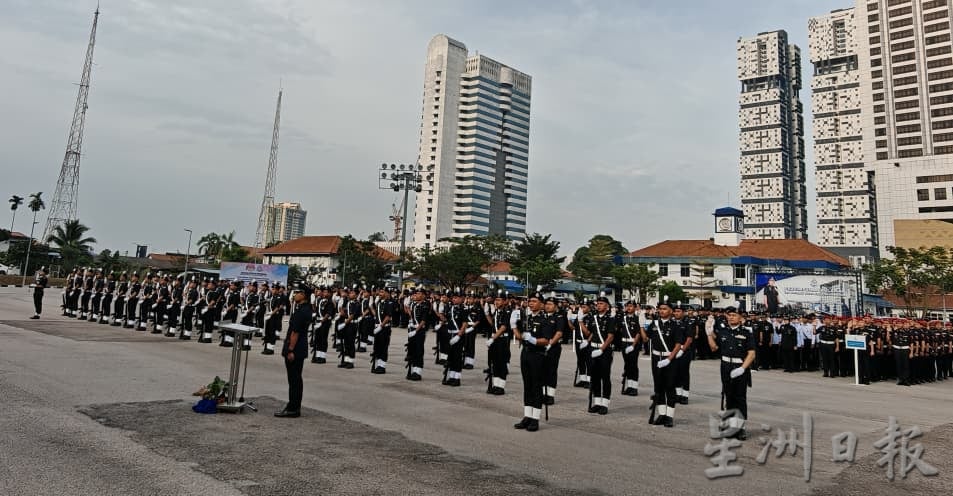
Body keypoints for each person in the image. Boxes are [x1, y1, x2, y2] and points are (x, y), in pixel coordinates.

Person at [706, 305, 756, 440]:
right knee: (728, 396)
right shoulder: (723, 331)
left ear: (740, 318)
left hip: (740, 366)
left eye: (734, 315)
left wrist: (742, 368)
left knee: (740, 397)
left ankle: (740, 428)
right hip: (725, 366)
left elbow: (751, 354)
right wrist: (709, 333)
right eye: (729, 315)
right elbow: (714, 347)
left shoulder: (747, 332)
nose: (731, 317)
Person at [513, 291, 555, 432]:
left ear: (542, 304)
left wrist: (532, 340)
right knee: (527, 386)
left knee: (536, 387)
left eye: (534, 301)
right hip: (525, 353)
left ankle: (535, 418)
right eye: (530, 301)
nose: (531, 303)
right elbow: (520, 337)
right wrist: (514, 327)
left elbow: (546, 340)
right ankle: (527, 416)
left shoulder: (545, 320)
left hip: (538, 356)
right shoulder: (527, 318)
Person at [641, 298, 684, 428]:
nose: (661, 311)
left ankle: (669, 416)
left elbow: (678, 344)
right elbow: (645, 339)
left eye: (665, 309)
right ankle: (661, 414)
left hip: (669, 358)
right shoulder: (655, 324)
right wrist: (641, 326)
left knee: (670, 387)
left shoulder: (676, 325)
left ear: (671, 311)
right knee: (658, 387)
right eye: (660, 309)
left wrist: (669, 359)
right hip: (656, 358)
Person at [276, 283, 312, 418]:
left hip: (295, 349)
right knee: (295, 379)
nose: (294, 295)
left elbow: (295, 332)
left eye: (297, 292)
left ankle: (293, 408)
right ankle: (294, 406)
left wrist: (290, 350)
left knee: (294, 380)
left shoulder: (301, 311)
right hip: (300, 348)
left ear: (303, 295)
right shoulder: (305, 309)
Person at [582, 295, 615, 414]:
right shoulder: (593, 318)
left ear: (607, 306)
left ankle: (604, 403)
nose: (599, 306)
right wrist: (587, 341)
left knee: (605, 377)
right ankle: (597, 402)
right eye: (598, 304)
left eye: (601, 304)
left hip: (604, 351)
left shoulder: (610, 319)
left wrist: (601, 349)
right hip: (593, 349)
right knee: (594, 377)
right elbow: (590, 333)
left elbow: (610, 336)